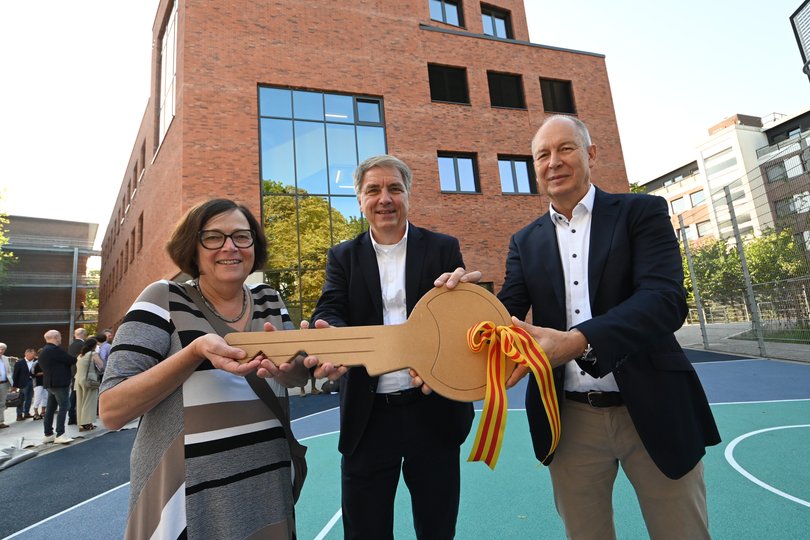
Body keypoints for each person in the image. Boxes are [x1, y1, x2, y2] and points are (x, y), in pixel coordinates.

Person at [497, 115, 721, 539]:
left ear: (591, 154)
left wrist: (579, 342)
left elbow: (665, 300)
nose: (553, 162)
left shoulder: (642, 212)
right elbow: (503, 314)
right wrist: (457, 301)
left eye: (565, 149)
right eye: (542, 154)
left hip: (654, 406)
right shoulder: (524, 242)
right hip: (570, 421)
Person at [99, 198, 317, 540]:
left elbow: (295, 376)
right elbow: (111, 409)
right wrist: (194, 352)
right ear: (193, 247)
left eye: (241, 237)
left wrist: (300, 364)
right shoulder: (163, 298)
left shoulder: (268, 298)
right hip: (191, 496)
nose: (230, 247)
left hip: (267, 484)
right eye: (213, 237)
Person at [311, 154, 477, 539]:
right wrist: (335, 338)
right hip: (368, 419)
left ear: (408, 196)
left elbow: (459, 318)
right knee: (365, 531)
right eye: (373, 190)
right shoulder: (343, 257)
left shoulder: (442, 249)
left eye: (394, 189)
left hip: (432, 411)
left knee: (437, 529)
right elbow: (331, 308)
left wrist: (464, 296)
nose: (384, 198)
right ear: (360, 200)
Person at [38, 330, 77, 444]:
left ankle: (48, 434)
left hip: (50, 384)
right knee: (64, 406)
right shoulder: (55, 350)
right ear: (55, 337)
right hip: (60, 383)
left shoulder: (44, 351)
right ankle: (60, 434)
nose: (61, 338)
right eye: (60, 336)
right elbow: (72, 360)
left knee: (50, 409)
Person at [74, 337, 100, 432]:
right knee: (89, 401)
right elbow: (101, 366)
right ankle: (87, 423)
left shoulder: (80, 356)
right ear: (93, 346)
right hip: (89, 380)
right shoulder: (93, 354)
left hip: (78, 379)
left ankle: (81, 423)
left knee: (80, 401)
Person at [66, 327, 86, 426]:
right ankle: (79, 417)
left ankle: (71, 417)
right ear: (84, 334)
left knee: (73, 395)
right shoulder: (83, 345)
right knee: (80, 396)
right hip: (81, 373)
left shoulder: (71, 345)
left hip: (73, 372)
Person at [11, 349, 36, 421]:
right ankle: (19, 415)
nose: (34, 355)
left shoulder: (35, 361)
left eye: (34, 354)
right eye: (32, 354)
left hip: (32, 382)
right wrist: (14, 385)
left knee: (29, 398)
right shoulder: (19, 362)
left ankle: (26, 413)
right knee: (21, 399)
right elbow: (15, 375)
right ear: (27, 354)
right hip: (22, 383)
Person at [31, 350, 46, 420]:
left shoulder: (47, 362)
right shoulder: (36, 363)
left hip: (46, 382)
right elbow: (32, 374)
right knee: (37, 397)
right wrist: (43, 373)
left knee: (45, 397)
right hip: (37, 383)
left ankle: (43, 412)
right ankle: (36, 413)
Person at [0, 342, 11, 428]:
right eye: (0, 348)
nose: (1, 350)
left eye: (3, 349)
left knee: (2, 403)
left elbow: (9, 372)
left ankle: (1, 422)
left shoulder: (5, 359)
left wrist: (11, 384)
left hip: (4, 384)